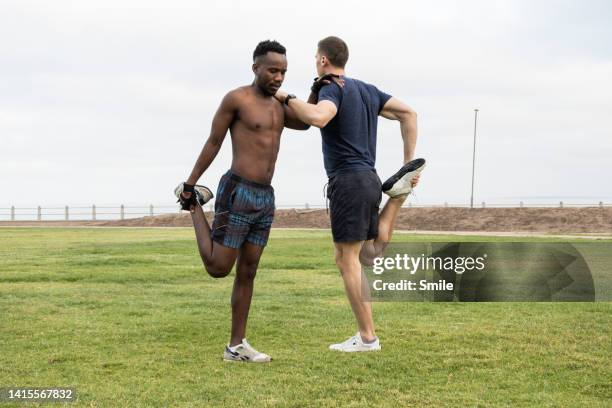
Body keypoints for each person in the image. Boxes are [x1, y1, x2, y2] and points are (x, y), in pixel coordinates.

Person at [274, 36, 425, 352]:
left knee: (346, 259)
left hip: (348, 181)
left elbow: (318, 117)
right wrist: (408, 161)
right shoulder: (367, 90)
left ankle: (368, 338)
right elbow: (409, 114)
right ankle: (397, 195)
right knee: (369, 255)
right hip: (369, 179)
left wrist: (285, 96)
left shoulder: (332, 87)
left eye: (316, 57)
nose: (316, 62)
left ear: (324, 60)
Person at [175, 40, 308, 363]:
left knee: (248, 271)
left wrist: (318, 88)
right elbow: (213, 142)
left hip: (265, 197)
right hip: (238, 190)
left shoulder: (281, 105)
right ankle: (194, 206)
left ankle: (236, 346)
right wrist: (191, 184)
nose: (278, 77)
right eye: (273, 70)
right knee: (219, 268)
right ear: (256, 68)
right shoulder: (237, 99)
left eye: (284, 72)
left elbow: (306, 122)